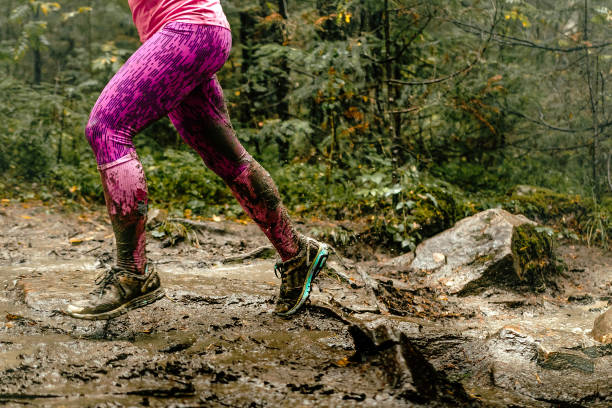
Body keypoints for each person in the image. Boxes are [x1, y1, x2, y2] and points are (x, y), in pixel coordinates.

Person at [65, 0, 329, 320]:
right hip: (197, 32)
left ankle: (131, 274)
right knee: (228, 158)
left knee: (106, 129)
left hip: (188, 30)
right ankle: (297, 253)